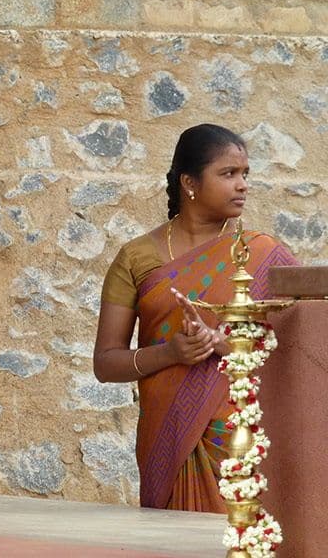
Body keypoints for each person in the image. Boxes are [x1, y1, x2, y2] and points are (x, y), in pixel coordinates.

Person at [93, 123, 296, 512]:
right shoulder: (137, 258)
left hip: (242, 440)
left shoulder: (264, 255)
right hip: (169, 438)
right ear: (189, 182)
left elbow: (301, 347)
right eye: (228, 174)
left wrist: (223, 344)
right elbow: (106, 362)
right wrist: (172, 352)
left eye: (245, 174)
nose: (242, 185)